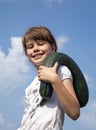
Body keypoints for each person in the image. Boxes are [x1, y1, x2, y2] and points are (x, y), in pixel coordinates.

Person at [17, 26, 80, 130]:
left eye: (41, 44)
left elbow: (75, 113)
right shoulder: (31, 85)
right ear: (27, 53)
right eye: (30, 46)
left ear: (53, 47)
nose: (35, 49)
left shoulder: (60, 71)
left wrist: (55, 80)